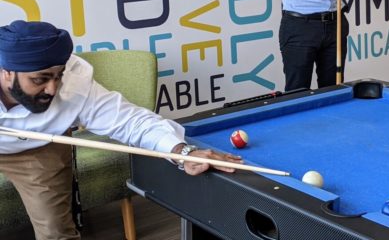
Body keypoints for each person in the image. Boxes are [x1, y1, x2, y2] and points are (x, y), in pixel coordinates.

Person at [0, 20, 241, 240]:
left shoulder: (74, 82)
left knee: (56, 232)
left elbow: (131, 122)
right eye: (40, 79)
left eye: (57, 76)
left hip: (39, 148)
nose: (52, 89)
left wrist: (183, 151)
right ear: (7, 71)